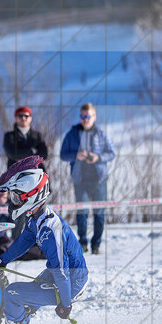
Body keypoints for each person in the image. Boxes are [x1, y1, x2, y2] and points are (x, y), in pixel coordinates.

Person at [0, 156, 88, 324]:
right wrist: (2, 260)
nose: (13, 202)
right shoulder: (36, 219)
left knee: (13, 293)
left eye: (16, 197)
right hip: (60, 275)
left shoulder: (50, 230)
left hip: (71, 281)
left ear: (31, 196)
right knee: (27, 298)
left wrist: (66, 303)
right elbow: (22, 242)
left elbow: (61, 270)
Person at [59, 103, 116, 254]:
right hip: (80, 181)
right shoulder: (72, 133)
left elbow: (112, 153)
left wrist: (98, 157)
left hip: (99, 180)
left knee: (99, 214)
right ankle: (82, 243)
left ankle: (96, 244)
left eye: (88, 117)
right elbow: (63, 154)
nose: (85, 119)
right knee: (82, 213)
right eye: (82, 116)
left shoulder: (101, 134)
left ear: (94, 117)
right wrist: (75, 156)